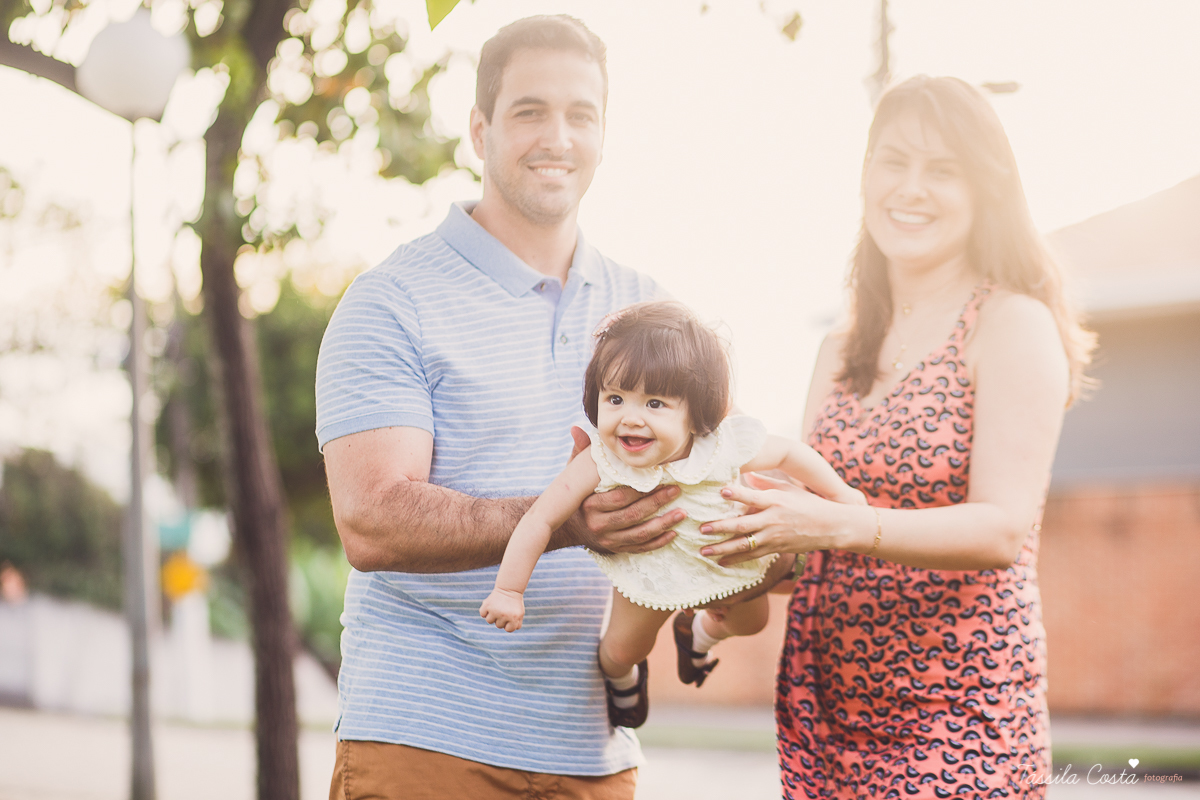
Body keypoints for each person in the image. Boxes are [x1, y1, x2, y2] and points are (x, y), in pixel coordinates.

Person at [317, 16, 792, 800]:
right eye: (529, 111)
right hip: (424, 743)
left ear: (605, 134)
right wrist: (569, 521)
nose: (557, 137)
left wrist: (762, 549)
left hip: (591, 754)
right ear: (480, 129)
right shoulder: (391, 302)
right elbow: (370, 520)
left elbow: (718, 478)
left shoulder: (654, 313)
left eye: (582, 114)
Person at [697, 76, 1095, 799]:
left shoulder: (1009, 324)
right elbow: (815, 537)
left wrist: (834, 524)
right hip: (826, 713)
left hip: (958, 717)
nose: (911, 188)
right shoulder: (841, 347)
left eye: (942, 170)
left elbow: (1002, 529)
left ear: (985, 190)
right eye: (893, 161)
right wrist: (725, 558)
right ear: (865, 175)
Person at [479, 302, 864, 728]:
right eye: (615, 398)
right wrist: (509, 590)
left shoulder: (723, 445)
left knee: (753, 622)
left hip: (721, 562)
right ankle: (622, 678)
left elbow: (793, 452)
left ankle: (696, 636)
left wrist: (840, 495)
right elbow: (540, 519)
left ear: (697, 409)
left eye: (655, 403)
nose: (630, 417)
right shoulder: (601, 462)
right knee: (625, 649)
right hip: (650, 567)